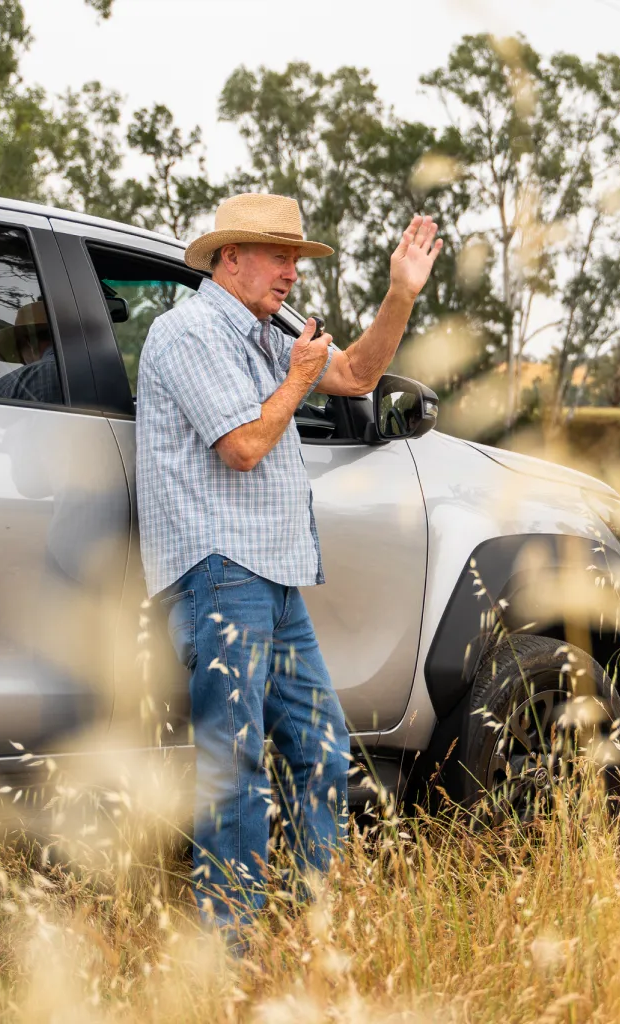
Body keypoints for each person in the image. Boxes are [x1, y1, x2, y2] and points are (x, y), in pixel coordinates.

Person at [135, 192, 442, 934]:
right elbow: (242, 447)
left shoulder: (267, 333)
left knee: (323, 750)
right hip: (219, 573)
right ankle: (229, 944)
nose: (294, 273)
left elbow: (360, 376)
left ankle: (306, 927)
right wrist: (300, 376)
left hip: (271, 577)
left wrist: (400, 293)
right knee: (233, 766)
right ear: (230, 257)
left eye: (298, 259)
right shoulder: (189, 334)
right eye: (281, 257)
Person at [0, 299, 65, 405]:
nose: (24, 363)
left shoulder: (8, 386)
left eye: (20, 355)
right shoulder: (92, 366)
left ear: (30, 343)